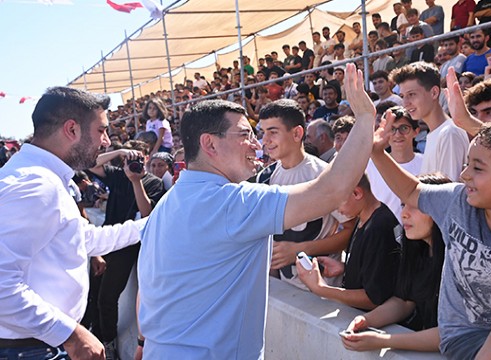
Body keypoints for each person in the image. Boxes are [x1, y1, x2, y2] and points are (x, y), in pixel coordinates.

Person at [137, 64, 376, 358]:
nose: (257, 145)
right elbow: (333, 190)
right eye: (245, 135)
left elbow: (145, 289)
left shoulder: (165, 205)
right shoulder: (232, 202)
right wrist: (365, 118)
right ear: (209, 143)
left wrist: (140, 343)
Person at [371, 115, 491, 358]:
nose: (464, 174)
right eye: (467, 164)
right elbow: (412, 190)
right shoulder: (457, 201)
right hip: (465, 336)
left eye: (477, 167)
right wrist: (378, 153)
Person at [0, 87, 146, 360]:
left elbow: (83, 239)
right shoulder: (37, 185)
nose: (106, 142)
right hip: (33, 349)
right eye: (101, 130)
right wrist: (69, 334)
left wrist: (150, 224)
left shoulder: (46, 178)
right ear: (72, 129)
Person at [341, 173, 450, 352]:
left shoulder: (457, 262)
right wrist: (366, 320)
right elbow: (404, 300)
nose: (404, 213)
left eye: (414, 206)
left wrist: (383, 341)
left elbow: (448, 334)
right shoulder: (418, 252)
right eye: (402, 205)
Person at [256, 100, 353, 289]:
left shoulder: (324, 175)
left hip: (325, 289)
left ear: (297, 133)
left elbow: (351, 230)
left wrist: (300, 250)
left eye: (273, 132)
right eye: (263, 132)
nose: (265, 140)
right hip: (283, 288)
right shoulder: (265, 177)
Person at [85, 139, 165, 358]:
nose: (134, 163)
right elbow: (89, 163)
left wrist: (136, 181)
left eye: (139, 158)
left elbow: (147, 214)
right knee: (93, 294)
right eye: (131, 159)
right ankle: (97, 338)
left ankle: (108, 347)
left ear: (147, 158)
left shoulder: (153, 183)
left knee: (107, 298)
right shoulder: (117, 175)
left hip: (129, 246)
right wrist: (119, 151)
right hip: (107, 240)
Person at [296, 174, 402, 311]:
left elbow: (373, 298)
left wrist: (320, 288)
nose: (337, 210)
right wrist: (345, 268)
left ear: (357, 193)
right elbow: (378, 270)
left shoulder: (379, 227)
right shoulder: (364, 216)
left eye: (337, 202)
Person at [390, 62, 469, 181]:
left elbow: (449, 194)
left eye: (411, 94)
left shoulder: (449, 133)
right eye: (402, 96)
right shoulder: (438, 133)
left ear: (434, 93)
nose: (405, 103)